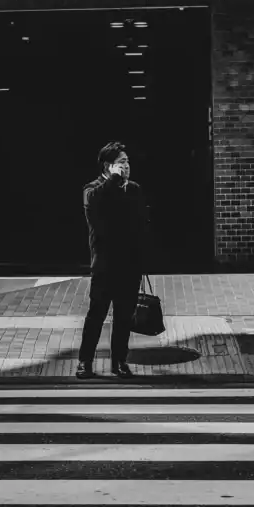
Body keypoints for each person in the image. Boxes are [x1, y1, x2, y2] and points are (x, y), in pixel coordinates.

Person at [76, 141, 151, 379]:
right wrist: (113, 182)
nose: (127, 166)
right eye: (122, 162)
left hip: (129, 265)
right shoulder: (93, 189)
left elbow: (141, 225)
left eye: (127, 162)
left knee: (123, 316)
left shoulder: (135, 189)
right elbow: (94, 205)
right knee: (96, 315)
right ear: (109, 166)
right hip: (105, 264)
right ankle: (85, 362)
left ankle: (119, 361)